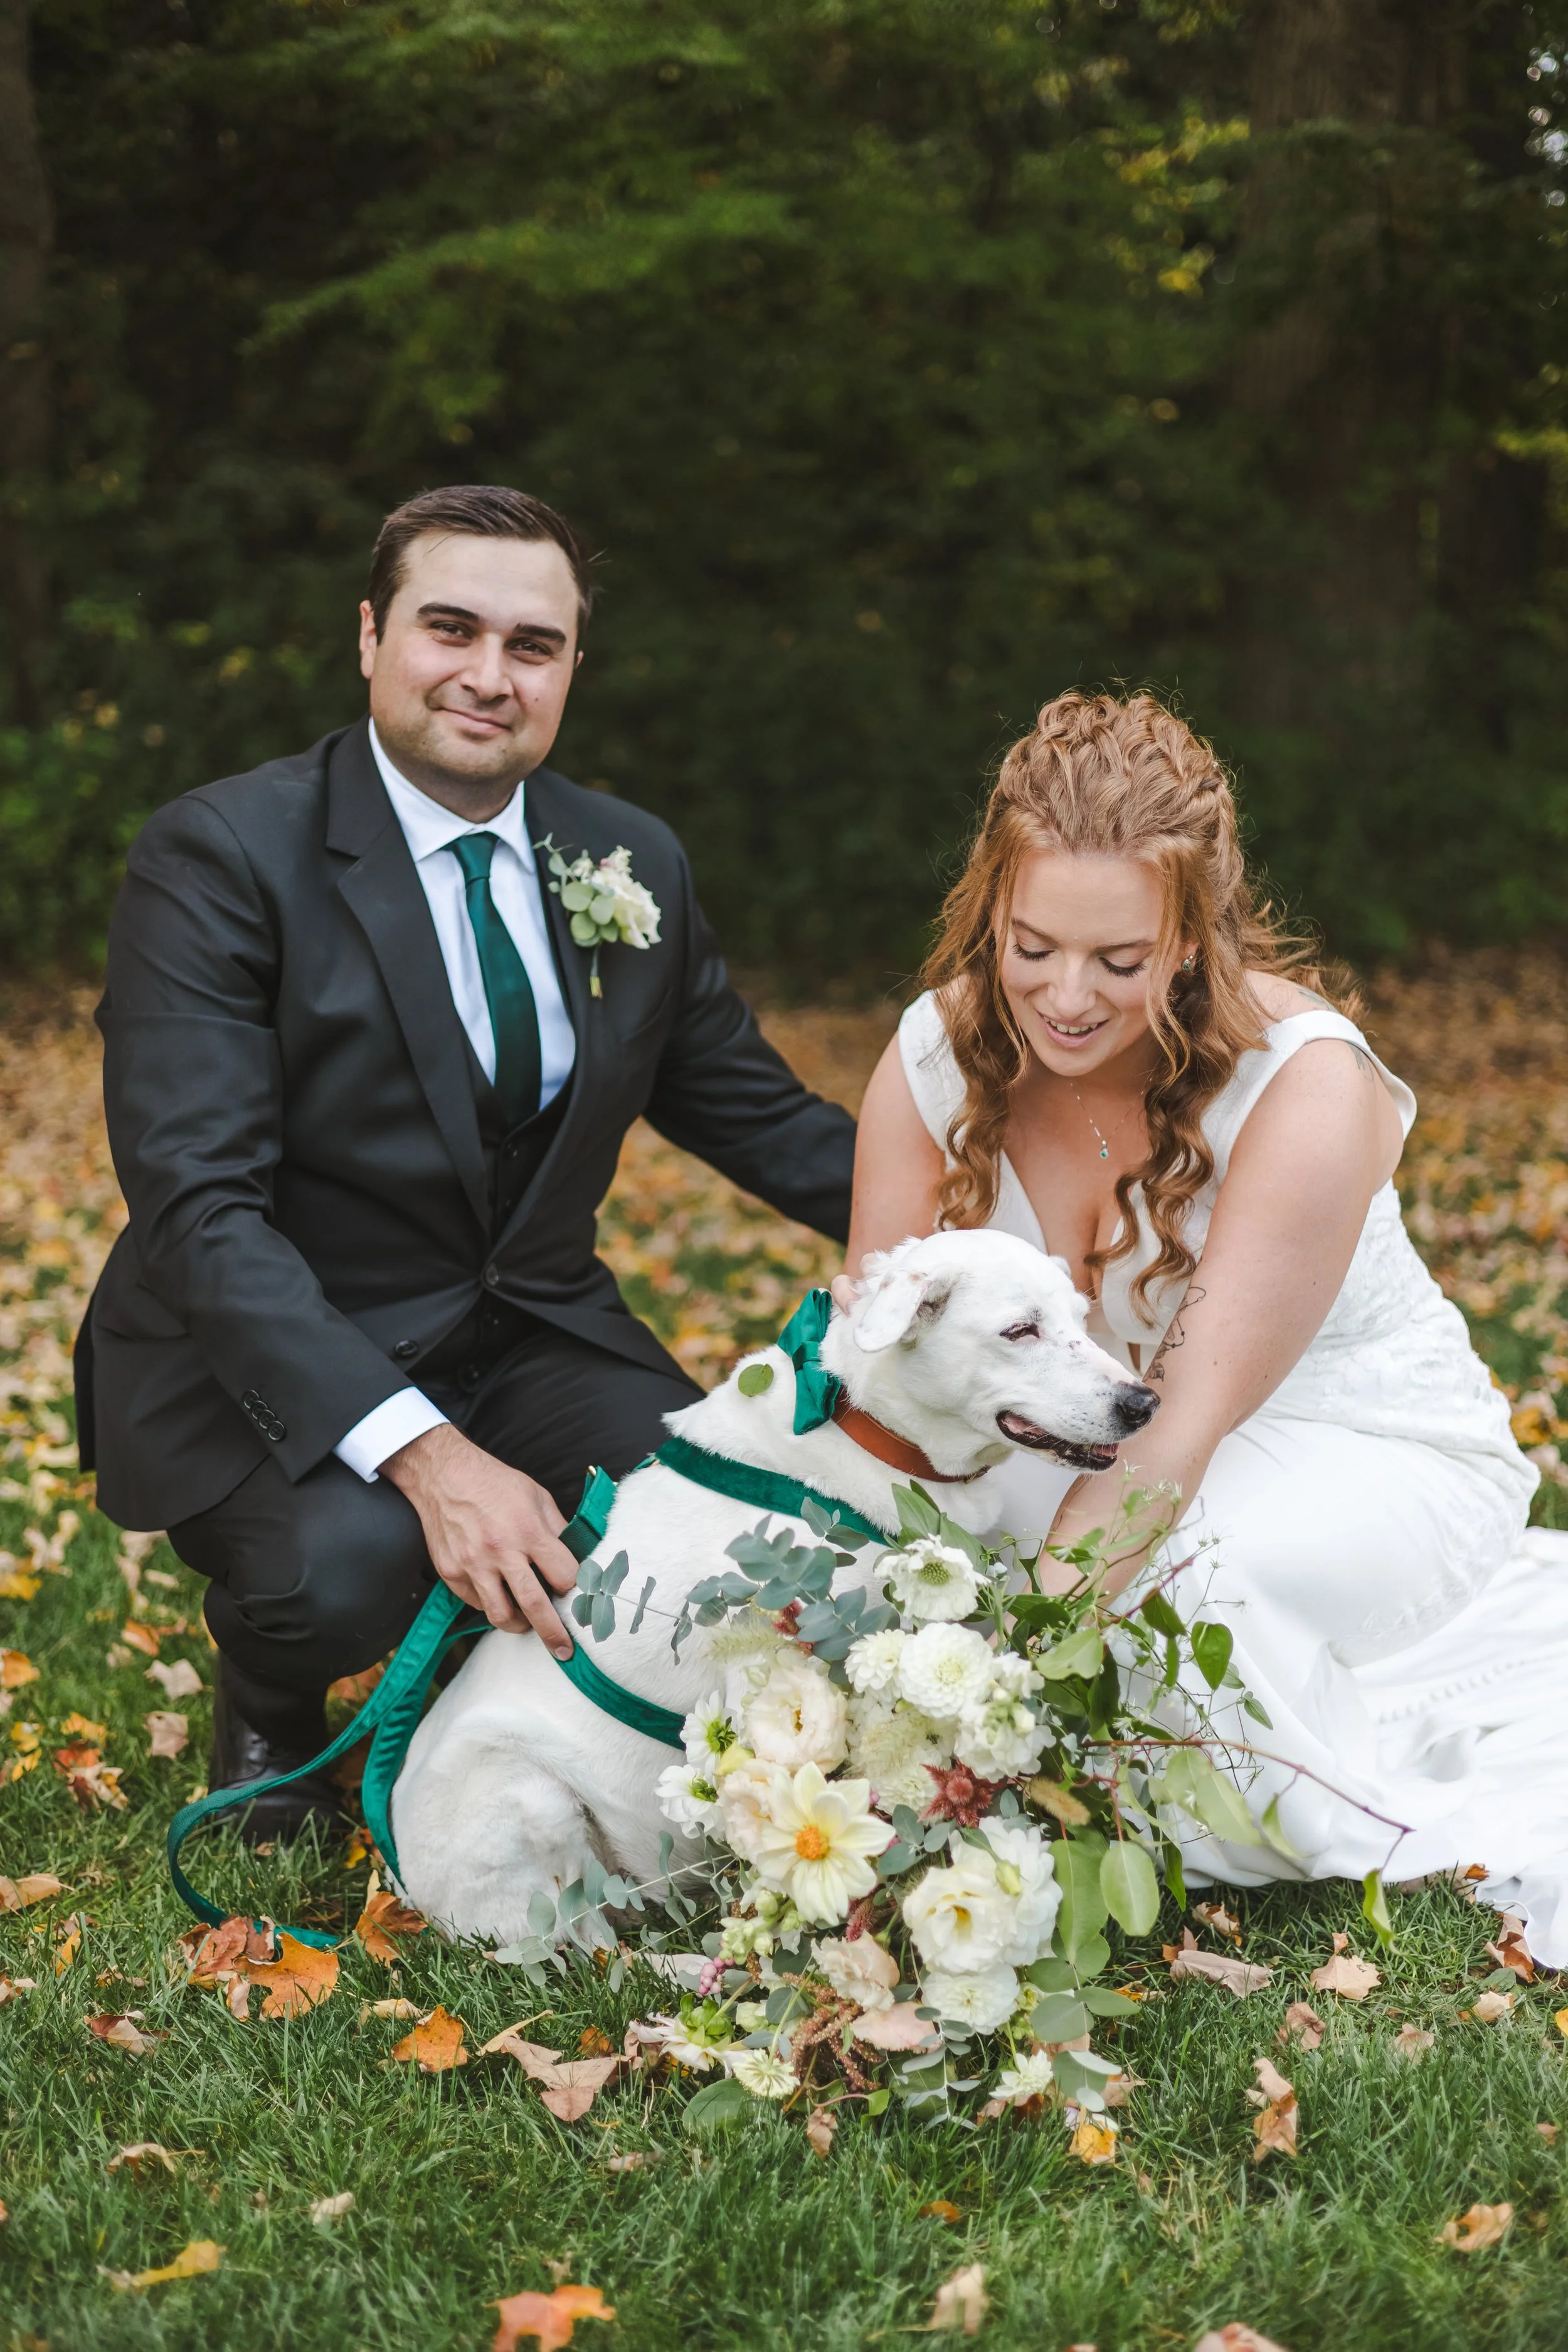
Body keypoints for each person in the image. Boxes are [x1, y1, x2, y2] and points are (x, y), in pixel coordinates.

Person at [78, 484, 856, 1836]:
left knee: (712, 1541)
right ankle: (269, 1687)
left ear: (569, 668)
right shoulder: (220, 857)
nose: (488, 677)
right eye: (451, 629)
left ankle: (506, 1718)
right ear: (370, 636)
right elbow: (201, 1208)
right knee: (350, 1572)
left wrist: (1012, 1228)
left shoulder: (630, 861)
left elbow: (760, 1118)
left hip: (529, 1330)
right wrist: (433, 1460)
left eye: (533, 646)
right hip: (275, 1350)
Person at [848, 687, 1568, 1960]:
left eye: (1118, 963)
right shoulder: (928, 1060)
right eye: (1030, 947)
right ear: (988, 912)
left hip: (1350, 1448)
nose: (1064, 997)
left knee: (1175, 1577)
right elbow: (879, 1383)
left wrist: (991, 1696)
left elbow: (1170, 1446)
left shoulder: (1309, 1084)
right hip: (1085, 1434)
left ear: (1191, 940)